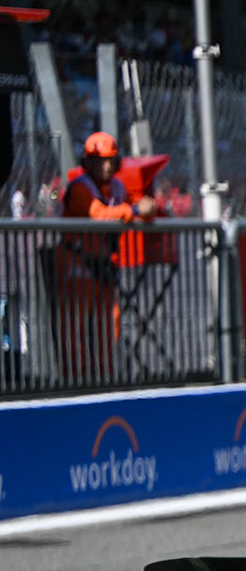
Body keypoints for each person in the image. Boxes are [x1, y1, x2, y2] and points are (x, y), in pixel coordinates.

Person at [58, 131, 154, 384]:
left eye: (111, 159)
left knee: (108, 325)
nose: (107, 165)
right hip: (76, 266)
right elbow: (99, 214)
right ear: (88, 162)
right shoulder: (80, 188)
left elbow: (140, 209)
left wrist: (145, 209)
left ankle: (105, 377)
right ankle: (76, 381)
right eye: (100, 160)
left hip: (102, 267)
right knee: (75, 327)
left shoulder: (118, 187)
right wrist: (133, 211)